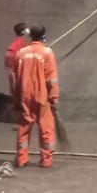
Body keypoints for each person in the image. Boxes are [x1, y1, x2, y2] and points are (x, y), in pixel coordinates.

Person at [12, 24, 60, 168]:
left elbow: (15, 78)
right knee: (46, 128)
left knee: (24, 129)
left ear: (30, 35)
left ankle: (21, 159)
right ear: (43, 35)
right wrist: (54, 98)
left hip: (25, 96)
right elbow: (52, 78)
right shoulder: (47, 53)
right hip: (42, 96)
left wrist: (15, 99)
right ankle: (46, 160)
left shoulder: (20, 53)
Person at [4, 22, 29, 94]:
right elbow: (10, 54)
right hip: (16, 68)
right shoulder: (20, 41)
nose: (28, 30)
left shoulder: (20, 40)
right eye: (26, 29)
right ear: (22, 32)